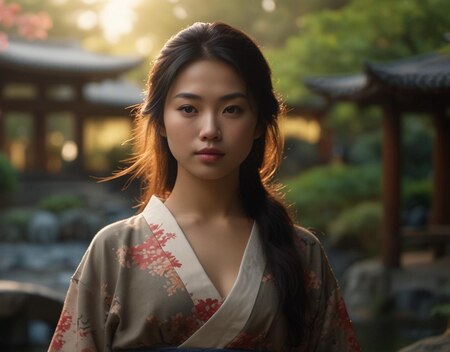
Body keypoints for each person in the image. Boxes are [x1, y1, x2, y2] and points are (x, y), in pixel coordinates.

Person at [48, 22, 360, 351]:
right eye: (188, 109)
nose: (210, 129)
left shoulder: (301, 251)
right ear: (161, 122)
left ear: (258, 123)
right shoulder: (115, 250)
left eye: (232, 110)